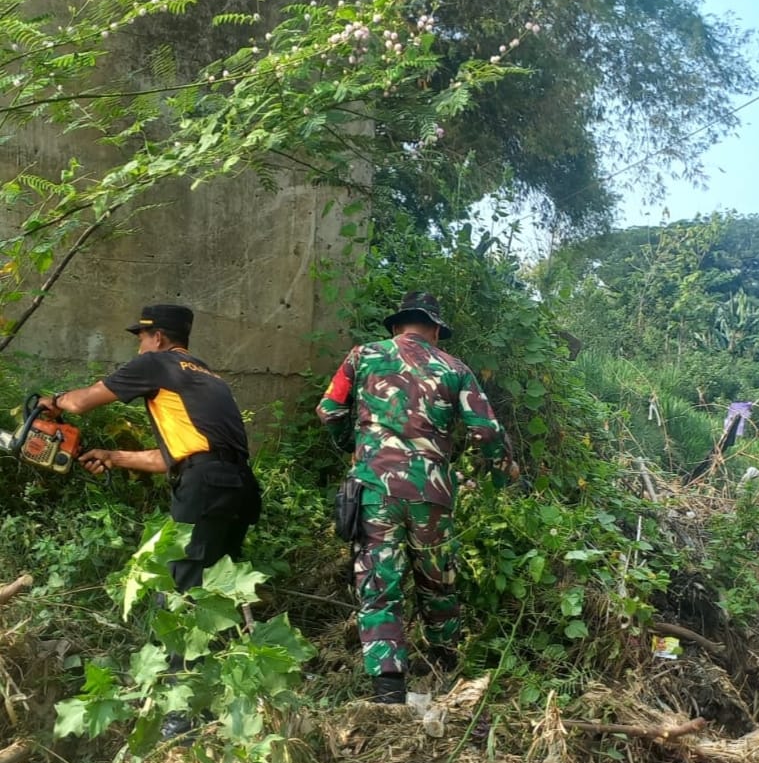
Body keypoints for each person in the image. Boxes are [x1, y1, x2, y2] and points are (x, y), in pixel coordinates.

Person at [316, 292, 516, 705]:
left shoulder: (362, 356)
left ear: (396, 326)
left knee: (379, 584)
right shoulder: (455, 368)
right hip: (432, 495)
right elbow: (487, 432)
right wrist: (500, 475)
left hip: (374, 491)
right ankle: (445, 662)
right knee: (437, 580)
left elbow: (329, 410)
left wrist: (353, 448)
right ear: (437, 331)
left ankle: (388, 688)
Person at [38, 304, 262, 593]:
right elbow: (182, 456)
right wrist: (113, 457)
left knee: (175, 587)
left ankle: (167, 639)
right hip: (240, 487)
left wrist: (54, 401)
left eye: (141, 340)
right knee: (219, 588)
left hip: (206, 487)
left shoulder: (155, 364)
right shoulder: (207, 375)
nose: (140, 350)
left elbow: (80, 403)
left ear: (158, 338)